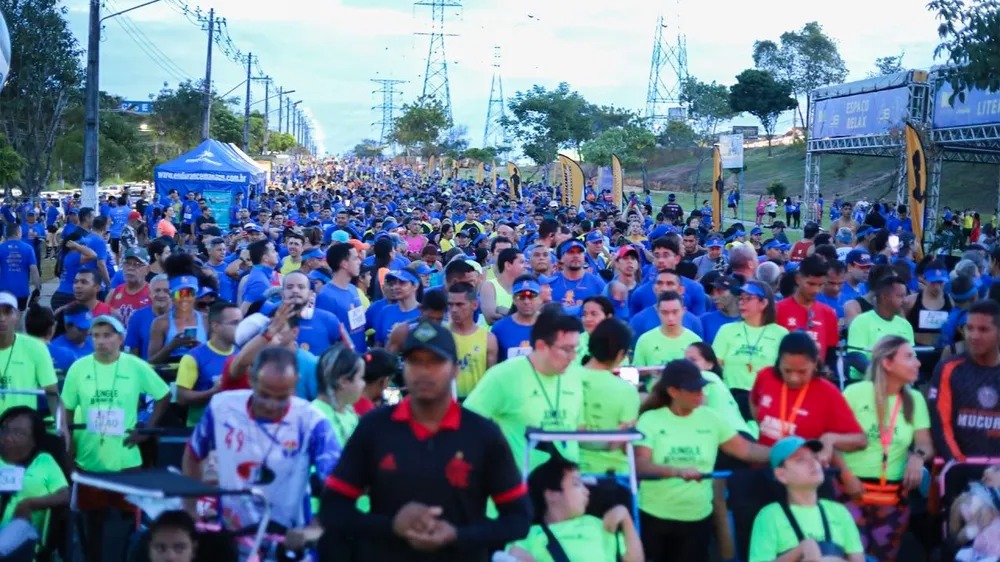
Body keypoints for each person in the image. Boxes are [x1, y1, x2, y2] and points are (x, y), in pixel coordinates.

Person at [320, 320, 532, 561]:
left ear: (455, 369)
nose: (424, 371)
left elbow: (518, 519)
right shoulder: (374, 428)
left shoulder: (483, 434)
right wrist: (391, 526)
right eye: (415, 361)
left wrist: (457, 535)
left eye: (435, 361)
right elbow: (333, 508)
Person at [183, 345, 341, 549]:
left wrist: (316, 527)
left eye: (282, 397)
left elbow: (338, 481)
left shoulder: (312, 421)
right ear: (251, 379)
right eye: (264, 395)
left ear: (295, 385)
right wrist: (190, 509)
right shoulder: (221, 408)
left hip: (288, 542)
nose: (271, 405)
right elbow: (193, 453)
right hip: (231, 540)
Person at [634, 359, 770, 562]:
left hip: (697, 518)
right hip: (655, 517)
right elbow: (640, 465)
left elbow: (745, 449)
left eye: (702, 389)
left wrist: (785, 453)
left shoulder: (711, 418)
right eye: (694, 390)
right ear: (673, 391)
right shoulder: (650, 420)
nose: (701, 395)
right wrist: (677, 471)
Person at [61, 315, 171, 562]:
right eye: (96, 336)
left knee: (127, 526)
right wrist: (68, 450)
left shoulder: (135, 365)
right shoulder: (79, 368)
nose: (101, 341)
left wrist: (146, 429)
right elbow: (66, 409)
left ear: (121, 338)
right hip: (89, 459)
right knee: (91, 527)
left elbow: (163, 395)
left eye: (108, 335)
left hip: (126, 458)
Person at [841, 336, 933, 562]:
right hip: (851, 491)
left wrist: (917, 457)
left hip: (892, 499)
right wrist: (845, 475)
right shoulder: (855, 393)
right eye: (909, 356)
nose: (918, 363)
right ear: (887, 363)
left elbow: (925, 444)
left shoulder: (915, 399)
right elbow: (830, 440)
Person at [465, 309, 585, 471]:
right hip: (518, 488)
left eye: (575, 349)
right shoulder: (504, 376)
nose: (573, 357)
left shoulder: (574, 375)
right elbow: (467, 425)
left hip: (566, 487)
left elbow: (578, 430)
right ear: (541, 346)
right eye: (566, 349)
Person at [506, 453, 644, 562]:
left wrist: (625, 518)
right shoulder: (528, 537)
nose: (587, 491)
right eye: (577, 484)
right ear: (552, 494)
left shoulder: (596, 524)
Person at [748, 436, 865, 562]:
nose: (813, 463)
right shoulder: (769, 516)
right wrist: (799, 550)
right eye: (800, 460)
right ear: (781, 475)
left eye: (814, 457)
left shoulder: (839, 511)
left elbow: (858, 559)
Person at [928, 299, 1000, 460]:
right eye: (970, 328)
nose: (974, 336)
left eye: (983, 329)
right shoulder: (948, 369)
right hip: (957, 469)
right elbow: (940, 425)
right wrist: (961, 466)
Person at [711, 281, 789, 421]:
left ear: (763, 303)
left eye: (748, 298)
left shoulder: (781, 334)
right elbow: (715, 367)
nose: (742, 302)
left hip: (765, 403)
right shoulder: (726, 331)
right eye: (740, 298)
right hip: (731, 402)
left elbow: (784, 373)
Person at [0, 406, 70, 561]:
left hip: (23, 538)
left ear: (34, 440)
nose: (8, 437)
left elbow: (65, 495)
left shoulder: (43, 461)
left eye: (18, 432)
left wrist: (30, 503)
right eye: (4, 430)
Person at [574, 318, 638, 475]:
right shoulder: (627, 390)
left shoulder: (567, 378)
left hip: (572, 470)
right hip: (615, 473)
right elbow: (622, 442)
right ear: (621, 354)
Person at [175, 302, 242, 427]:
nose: (240, 327)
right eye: (234, 323)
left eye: (241, 322)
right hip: (201, 431)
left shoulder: (242, 354)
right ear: (216, 326)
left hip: (232, 431)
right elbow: (182, 397)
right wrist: (212, 392)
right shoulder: (194, 357)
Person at [0, 293, 62, 418]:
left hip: (22, 429)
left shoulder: (35, 348)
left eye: (7, 312)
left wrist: (60, 428)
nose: (2, 318)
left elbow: (51, 392)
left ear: (17, 315)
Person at [846, 276, 914, 381]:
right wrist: (884, 375)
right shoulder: (861, 322)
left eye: (905, 296)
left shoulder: (905, 325)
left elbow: (911, 356)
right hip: (865, 383)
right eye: (900, 296)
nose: (905, 301)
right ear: (884, 297)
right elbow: (855, 356)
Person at [447, 282, 498, 398]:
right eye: (450, 305)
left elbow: (491, 379)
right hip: (448, 406)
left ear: (474, 305)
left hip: (477, 403)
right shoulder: (442, 335)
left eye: (460, 304)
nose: (454, 309)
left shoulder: (488, 339)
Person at [632, 291, 702, 368]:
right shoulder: (644, 340)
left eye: (675, 312)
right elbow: (637, 373)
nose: (670, 318)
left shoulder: (695, 341)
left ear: (683, 311)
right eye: (665, 313)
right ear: (657, 312)